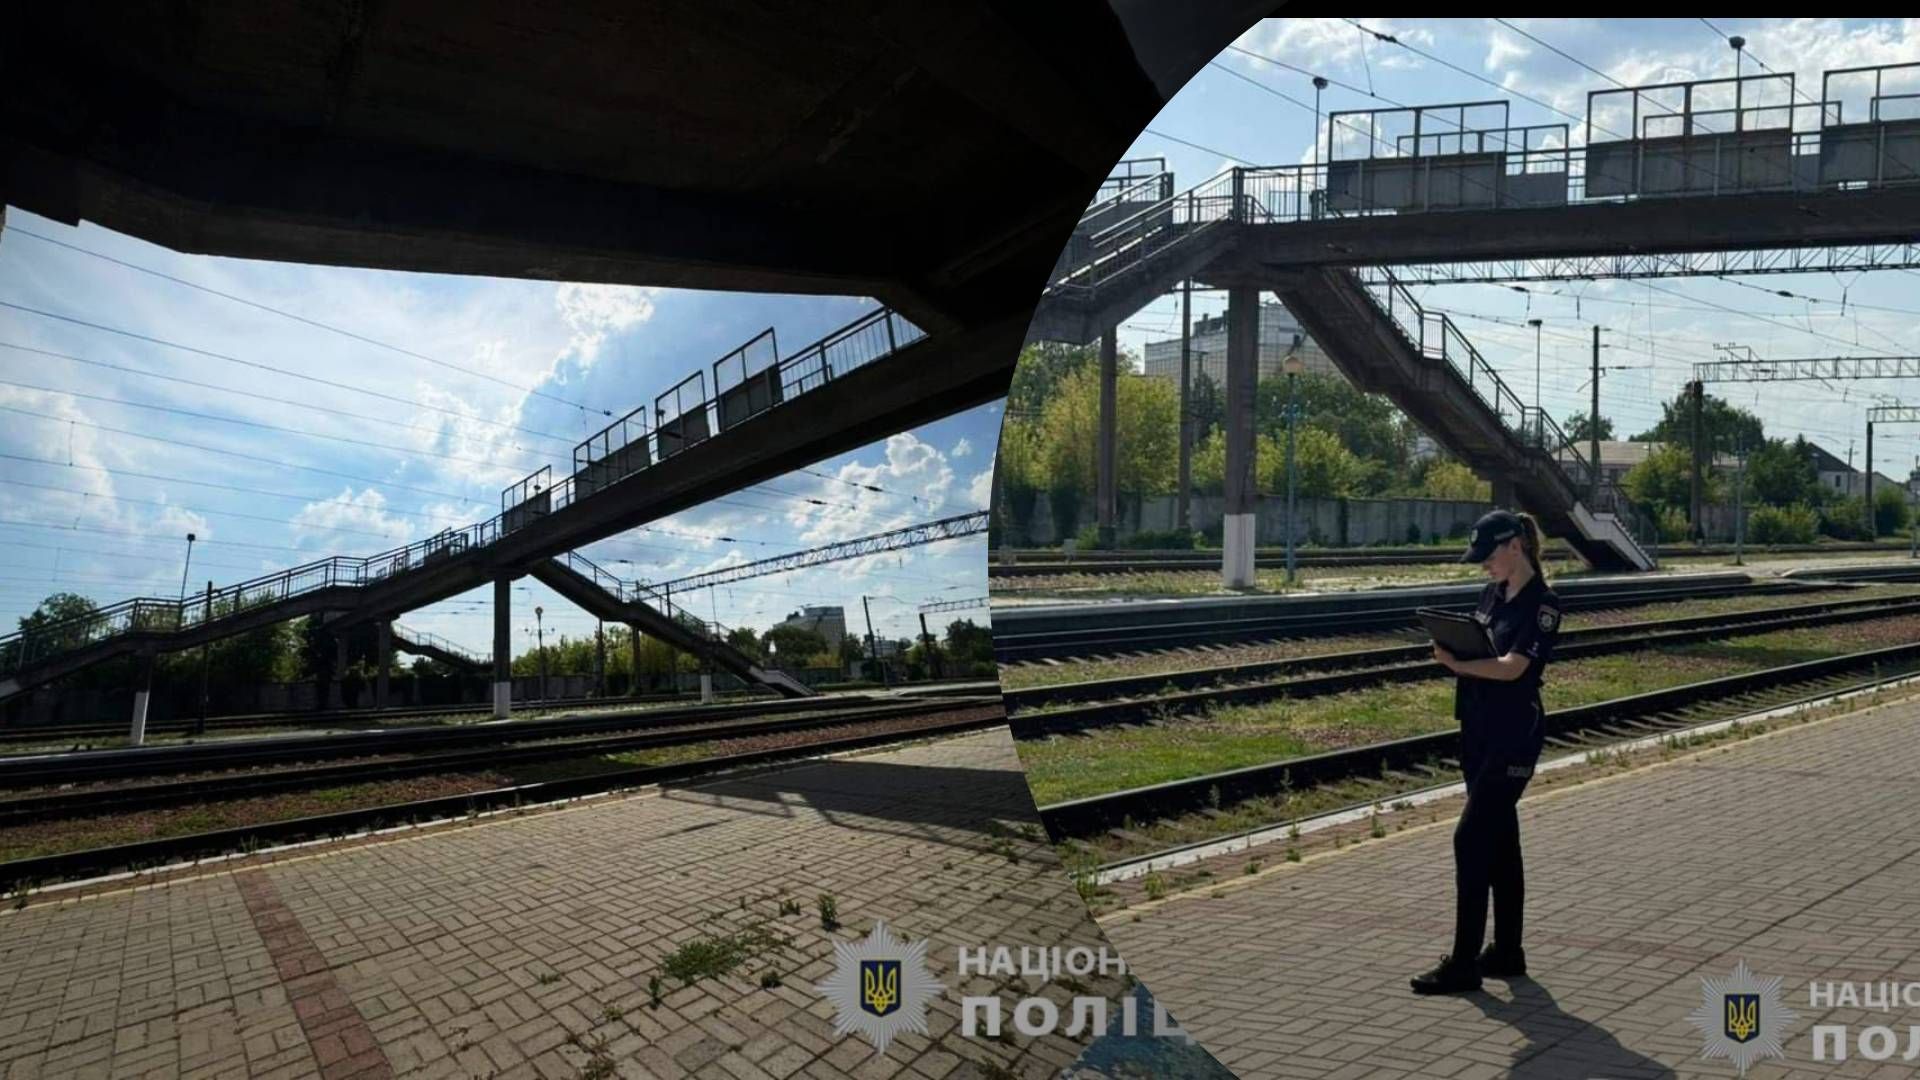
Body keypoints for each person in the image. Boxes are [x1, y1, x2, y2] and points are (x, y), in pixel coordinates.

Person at [1410, 509, 1562, 996]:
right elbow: (1480, 651)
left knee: (1470, 839)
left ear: (1514, 546)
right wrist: (1453, 653)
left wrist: (1461, 663)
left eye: (1488, 556)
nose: (1483, 566)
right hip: (1476, 728)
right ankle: (1507, 951)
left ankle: (1463, 963)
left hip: (1513, 734)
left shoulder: (1543, 606)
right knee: (1501, 840)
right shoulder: (1494, 595)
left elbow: (1515, 668)